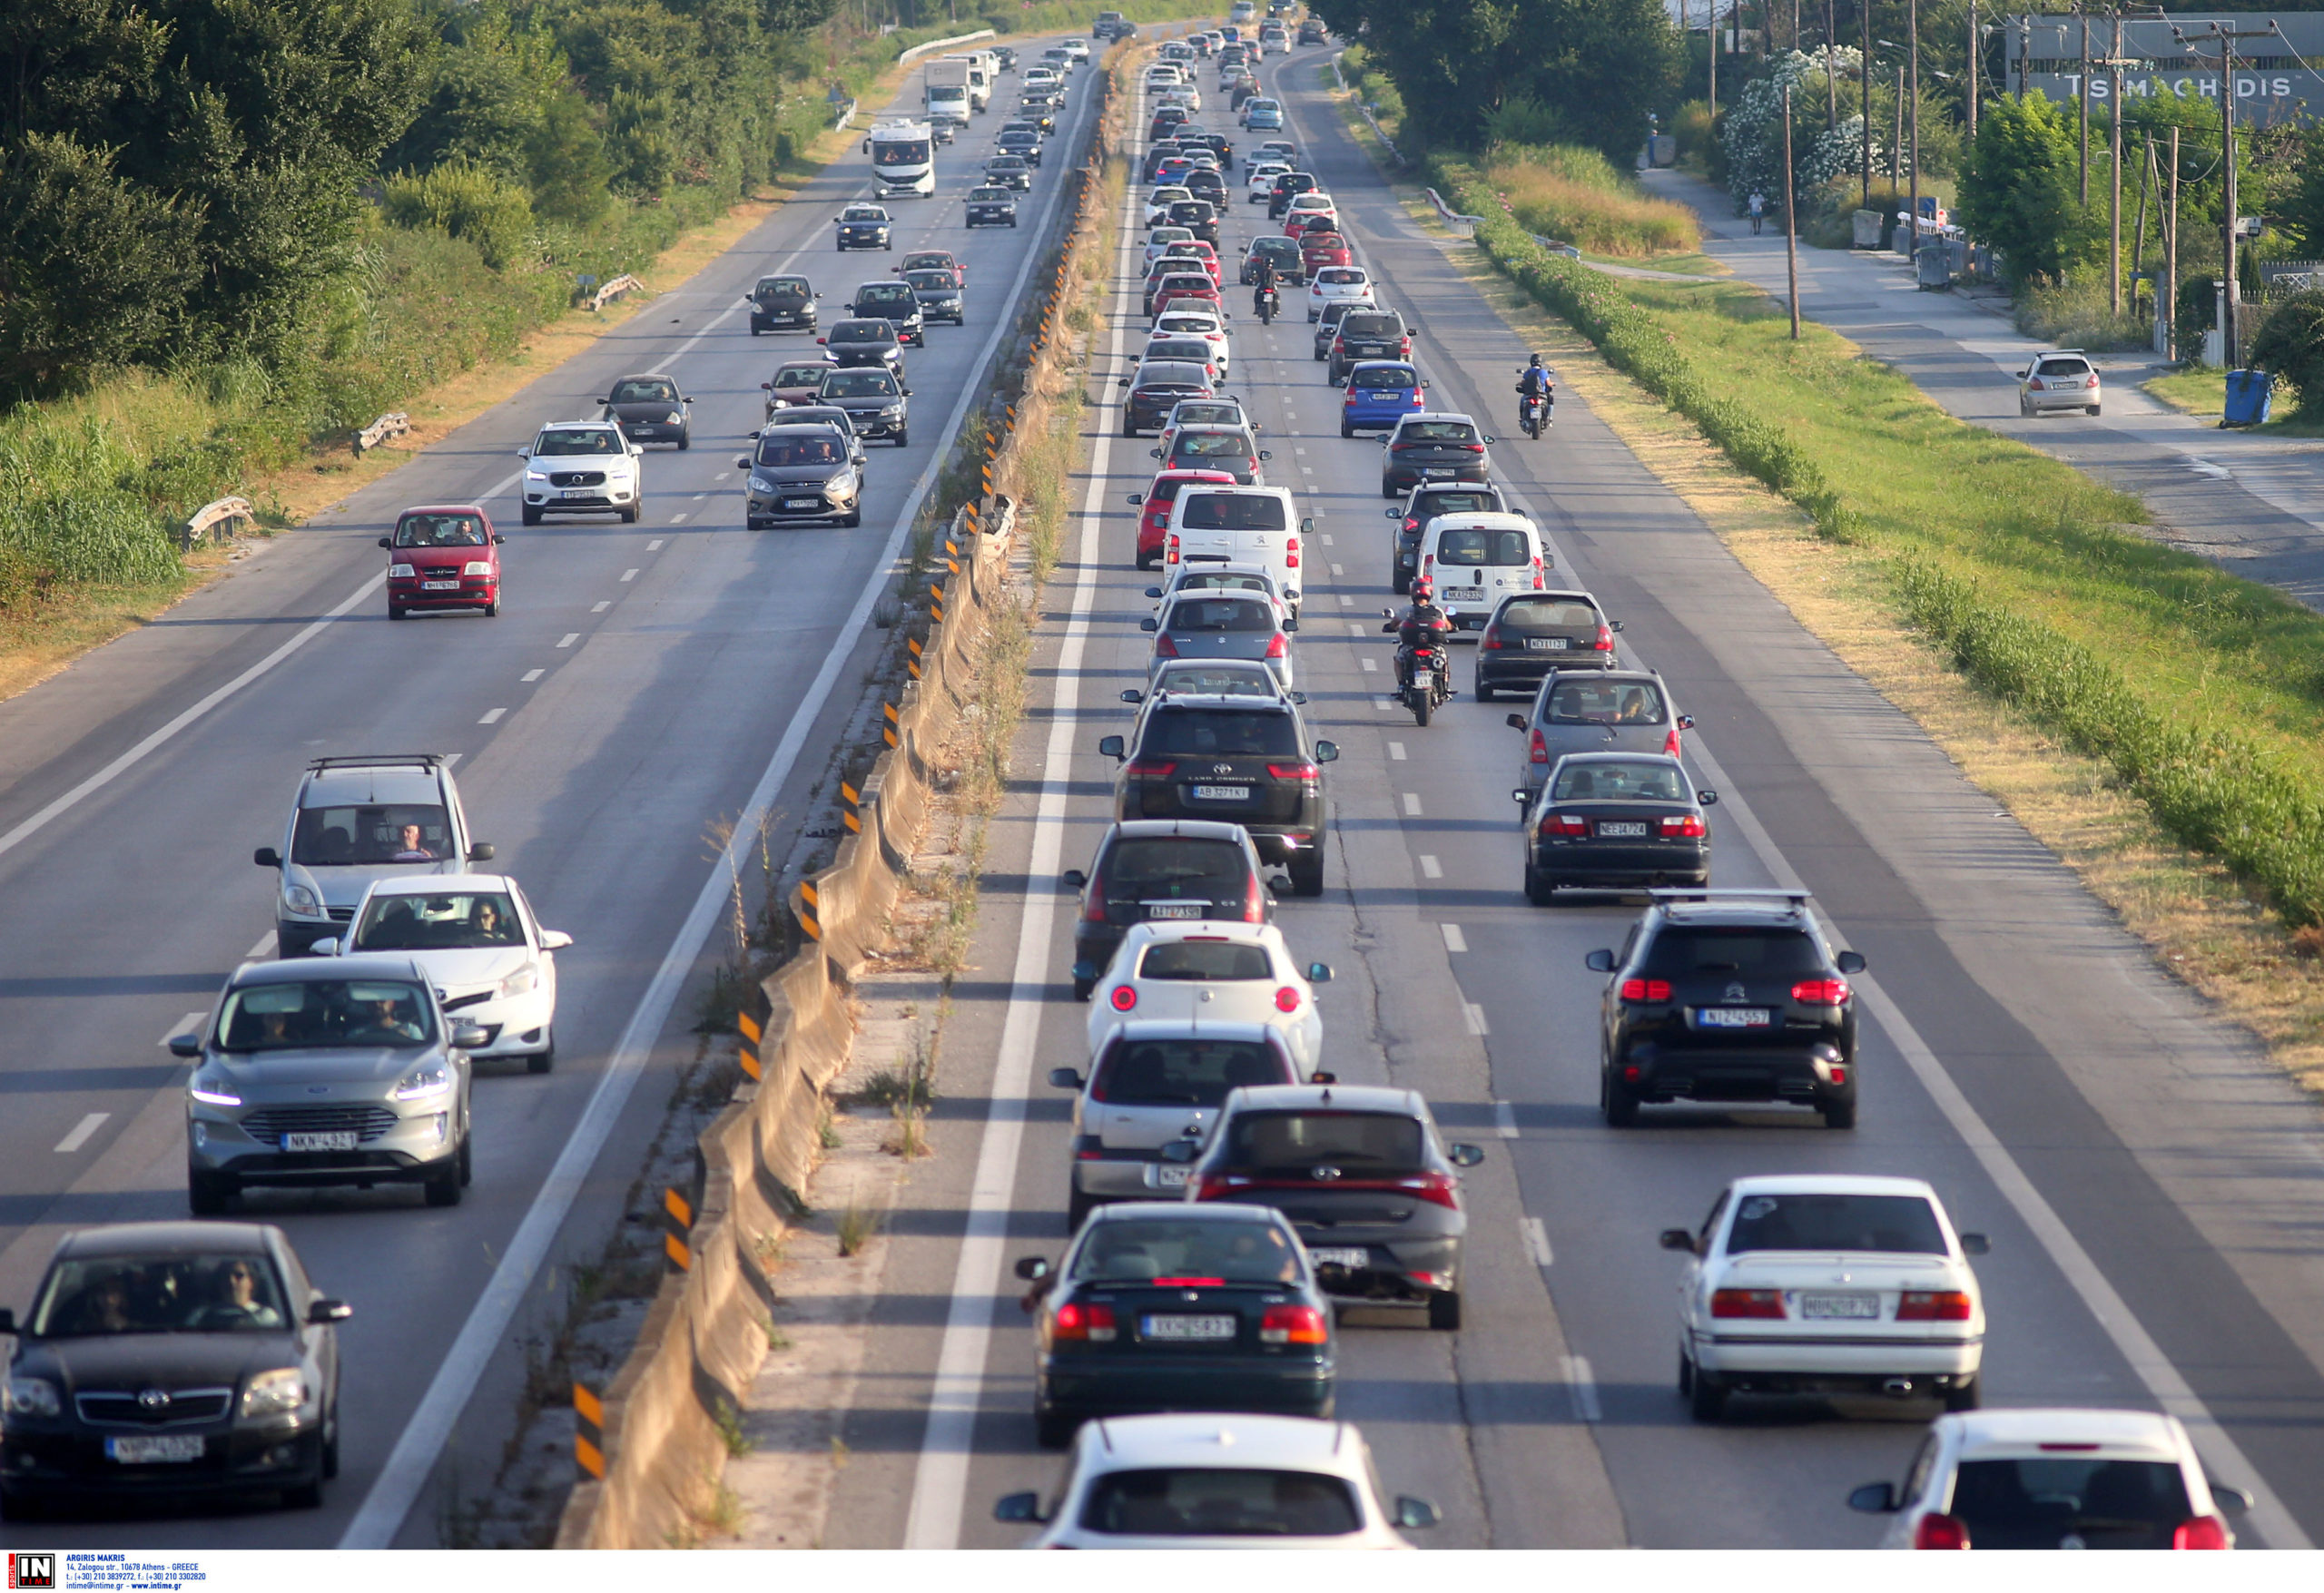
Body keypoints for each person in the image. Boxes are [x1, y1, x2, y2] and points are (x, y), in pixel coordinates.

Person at [1381, 577, 1452, 692]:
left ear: (1413, 592)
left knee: (1399, 660)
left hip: (1411, 646)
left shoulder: (1407, 610)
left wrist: (1389, 627)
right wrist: (1453, 628)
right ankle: (1446, 686)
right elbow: (1448, 626)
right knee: (1444, 659)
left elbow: (1394, 624)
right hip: (1433, 647)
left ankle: (1402, 684)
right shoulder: (1437, 610)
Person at [191, 1260, 284, 1331]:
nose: (231, 1281)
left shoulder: (265, 1317)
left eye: (239, 1276)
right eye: (225, 1276)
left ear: (251, 1282)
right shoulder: (201, 1315)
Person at [1516, 355, 1554, 431]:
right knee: (1551, 400)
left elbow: (1523, 382)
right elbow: (1549, 383)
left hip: (1529, 394)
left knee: (1522, 401)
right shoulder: (1544, 372)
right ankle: (1550, 418)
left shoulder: (1528, 372)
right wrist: (1553, 384)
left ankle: (1522, 418)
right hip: (1541, 394)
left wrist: (1519, 384)